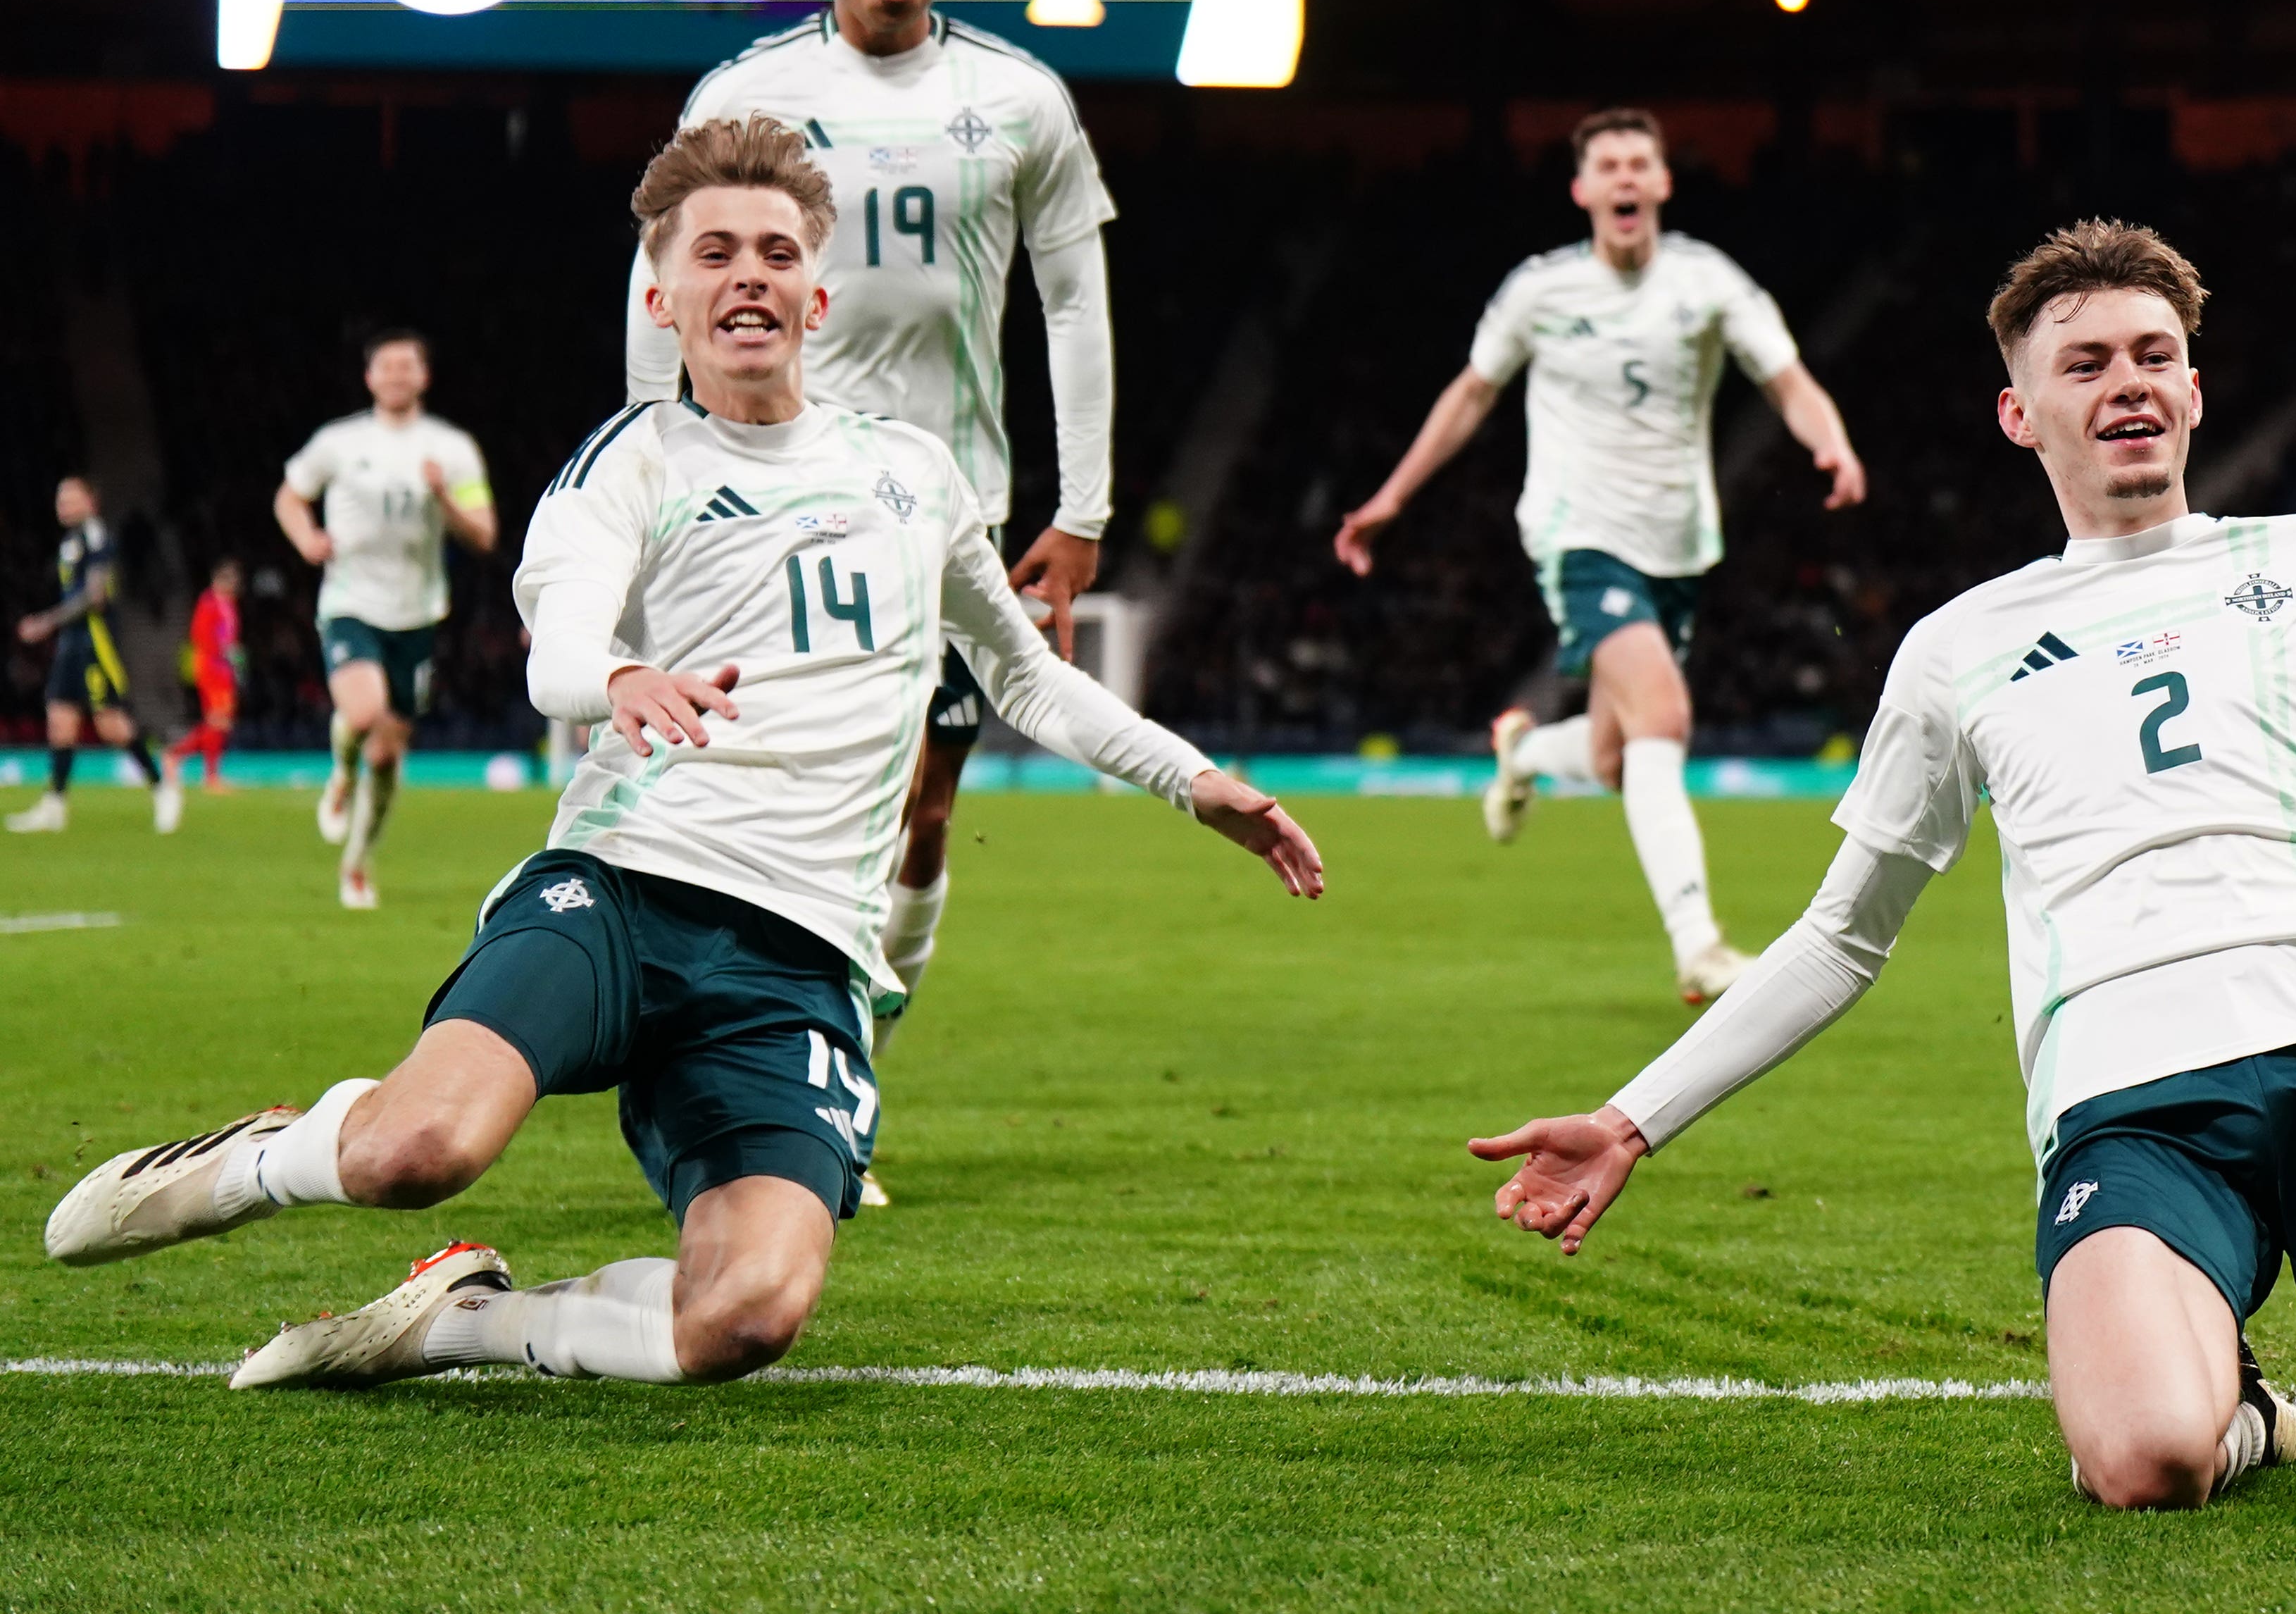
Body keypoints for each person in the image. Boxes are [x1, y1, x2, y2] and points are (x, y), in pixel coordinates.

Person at [1471, 220, 2296, 1510]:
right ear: (2021, 414)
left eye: (2152, 355)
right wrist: (1634, 1117)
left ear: (2191, 390)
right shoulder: (1957, 648)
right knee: (2145, 1463)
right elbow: (1842, 936)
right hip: (2130, 1097)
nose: (2128, 383)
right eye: (2086, 363)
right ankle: (2240, 1411)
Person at [44, 117, 1323, 1395]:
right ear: (663, 298)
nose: (748, 273)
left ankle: (458, 1321)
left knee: (747, 1317)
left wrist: (1194, 779)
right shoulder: (631, 459)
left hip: (802, 957)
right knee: (416, 1150)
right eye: (714, 252)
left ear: (819, 296)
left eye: (774, 251)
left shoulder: (913, 474)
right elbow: (556, 654)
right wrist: (615, 676)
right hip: (621, 889)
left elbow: (1025, 674)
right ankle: (260, 1157)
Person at [626, 0, 1116, 1200]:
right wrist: (648, 459)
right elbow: (655, 278)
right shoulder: (748, 97)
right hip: (771, 497)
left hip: (948, 511)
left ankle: (847, 1045)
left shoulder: (1021, 99)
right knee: (779, 803)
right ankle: (776, 1071)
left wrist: (1083, 507)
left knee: (920, 813)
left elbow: (1071, 301)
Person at [1335, 109, 1866, 1004]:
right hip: (1577, 531)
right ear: (1582, 189)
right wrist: (1391, 497)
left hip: (1679, 541)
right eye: (1607, 165)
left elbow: (1787, 378)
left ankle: (1526, 752)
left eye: (1639, 164)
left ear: (1661, 183)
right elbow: (1470, 394)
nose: (1624, 178)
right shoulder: (1540, 291)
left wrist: (1834, 444)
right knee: (1663, 718)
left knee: (1625, 759)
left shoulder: (1708, 281)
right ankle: (1699, 946)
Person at [275, 330, 496, 910]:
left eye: (408, 365)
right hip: (351, 601)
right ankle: (340, 773)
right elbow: (289, 496)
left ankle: (356, 864)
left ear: (424, 376)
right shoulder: (340, 441)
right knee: (364, 711)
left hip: (417, 614)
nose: (397, 374)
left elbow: (484, 532)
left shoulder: (451, 448)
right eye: (386, 366)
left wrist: (443, 497)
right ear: (370, 377)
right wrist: (306, 539)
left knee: (388, 755)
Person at [7, 475, 181, 835]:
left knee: (110, 725)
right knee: (60, 719)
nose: (63, 506)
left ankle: (162, 787)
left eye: (71, 499)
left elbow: (95, 596)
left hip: (96, 643)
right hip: (73, 642)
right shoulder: (71, 542)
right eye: (60, 499)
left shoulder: (96, 537)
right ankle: (54, 805)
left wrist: (46, 622)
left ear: (92, 502)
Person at [176, 557, 245, 790]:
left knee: (220, 723)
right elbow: (200, 636)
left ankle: (184, 759)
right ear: (219, 581)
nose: (234, 587)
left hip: (224, 670)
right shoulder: (208, 603)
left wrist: (235, 657)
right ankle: (205, 772)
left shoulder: (229, 605)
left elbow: (229, 638)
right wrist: (224, 652)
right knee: (218, 721)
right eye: (231, 582)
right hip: (210, 668)